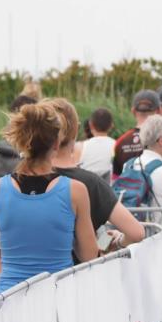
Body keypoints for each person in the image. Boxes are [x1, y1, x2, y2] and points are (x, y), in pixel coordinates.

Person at [0, 100, 98, 294]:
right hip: (57, 295)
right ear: (56, 143)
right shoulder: (75, 190)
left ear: (20, 142)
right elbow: (89, 254)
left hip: (10, 296)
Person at [46, 98, 145, 255]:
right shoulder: (90, 183)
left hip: (25, 276)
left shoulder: (15, 182)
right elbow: (136, 233)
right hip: (75, 272)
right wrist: (116, 241)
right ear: (75, 130)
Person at [113, 89, 160, 178]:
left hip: (128, 190)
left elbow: (115, 177)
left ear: (133, 111)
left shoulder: (121, 141)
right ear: (158, 111)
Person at [75, 108, 115, 182]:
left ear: (90, 124)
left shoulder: (79, 147)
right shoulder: (117, 146)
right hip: (110, 190)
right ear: (111, 125)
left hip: (87, 190)